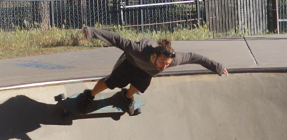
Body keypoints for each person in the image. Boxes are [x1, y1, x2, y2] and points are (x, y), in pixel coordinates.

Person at [79, 26, 229, 115]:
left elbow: (195, 57)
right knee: (110, 83)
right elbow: (116, 39)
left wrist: (218, 67)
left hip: (145, 73)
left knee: (139, 87)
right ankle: (89, 95)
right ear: (155, 55)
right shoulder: (139, 50)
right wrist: (91, 32)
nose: (164, 67)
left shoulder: (174, 59)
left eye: (167, 64)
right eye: (162, 62)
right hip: (129, 63)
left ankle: (126, 96)